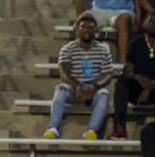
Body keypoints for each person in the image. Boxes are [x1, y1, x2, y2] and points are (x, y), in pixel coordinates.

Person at [45, 12, 112, 141]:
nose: (87, 30)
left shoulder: (103, 50)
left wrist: (94, 86)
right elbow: (64, 74)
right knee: (61, 89)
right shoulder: (67, 49)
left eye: (91, 27)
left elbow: (107, 74)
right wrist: (78, 87)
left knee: (104, 93)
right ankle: (53, 128)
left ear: (96, 30)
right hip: (73, 89)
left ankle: (91, 131)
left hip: (93, 89)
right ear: (76, 29)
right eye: (83, 26)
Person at [111, 13, 155, 141]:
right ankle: (119, 128)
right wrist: (137, 77)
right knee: (121, 83)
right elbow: (127, 70)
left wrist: (152, 85)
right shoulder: (136, 43)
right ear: (144, 24)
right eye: (151, 21)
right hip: (138, 89)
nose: (154, 24)